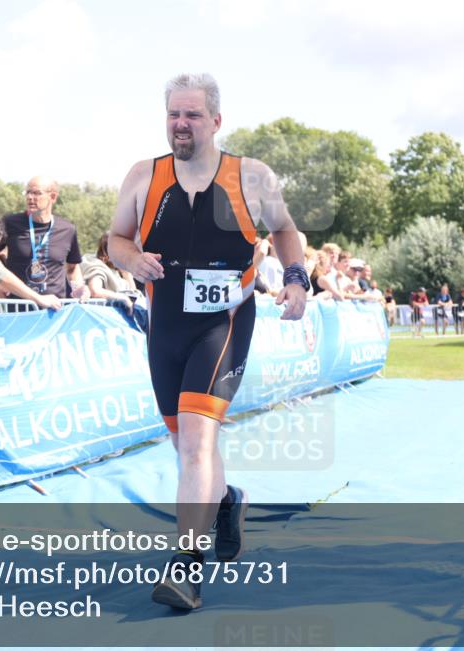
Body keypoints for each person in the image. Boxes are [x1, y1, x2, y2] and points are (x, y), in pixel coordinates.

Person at [107, 73, 308, 611]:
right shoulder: (142, 177)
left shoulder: (251, 176)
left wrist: (296, 277)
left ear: (215, 121)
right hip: (165, 325)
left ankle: (185, 568)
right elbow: (116, 239)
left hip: (223, 323)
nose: (181, 123)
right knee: (186, 447)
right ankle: (225, 501)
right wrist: (130, 259)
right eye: (174, 113)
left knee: (196, 443)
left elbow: (285, 230)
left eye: (192, 115)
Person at [1, 176, 88, 300]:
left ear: (52, 197)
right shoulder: (10, 223)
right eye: (28, 192)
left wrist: (79, 288)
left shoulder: (67, 229)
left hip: (55, 310)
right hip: (20, 309)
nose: (30, 197)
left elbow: (72, 268)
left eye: (36, 193)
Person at [82, 232, 138, 314]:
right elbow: (95, 291)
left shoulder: (117, 269)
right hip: (101, 317)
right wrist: (123, 298)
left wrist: (127, 274)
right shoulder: (97, 266)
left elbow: (133, 295)